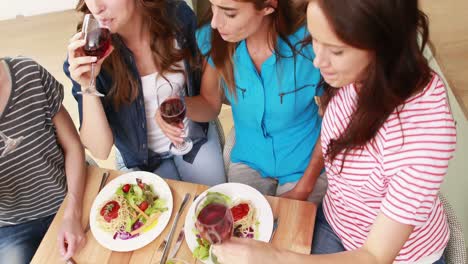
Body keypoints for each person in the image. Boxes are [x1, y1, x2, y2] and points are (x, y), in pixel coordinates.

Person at [209, 0, 457, 263]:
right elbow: (333, 135)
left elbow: (374, 256)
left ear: (384, 43)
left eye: (336, 51)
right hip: (336, 222)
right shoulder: (355, 74)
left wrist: (275, 258)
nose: (317, 62)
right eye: (315, 40)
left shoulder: (423, 133)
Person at [157, 0, 327, 202]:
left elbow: (335, 120)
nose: (214, 22)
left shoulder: (310, 44)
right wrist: (183, 106)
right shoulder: (213, 38)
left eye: (229, 13)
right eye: (213, 6)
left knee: (294, 231)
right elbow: (210, 105)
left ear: (268, 6)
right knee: (242, 228)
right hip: (248, 160)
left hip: (305, 164)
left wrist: (305, 188)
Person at [64, 0, 226, 185]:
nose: (96, 7)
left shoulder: (178, 16)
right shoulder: (86, 52)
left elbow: (210, 106)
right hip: (141, 160)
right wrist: (87, 85)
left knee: (213, 202)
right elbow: (100, 150)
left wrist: (179, 107)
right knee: (166, 212)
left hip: (192, 138)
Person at [0, 57, 86, 263]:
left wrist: (72, 212)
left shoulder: (28, 73)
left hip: (69, 197)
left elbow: (73, 146)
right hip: (12, 227)